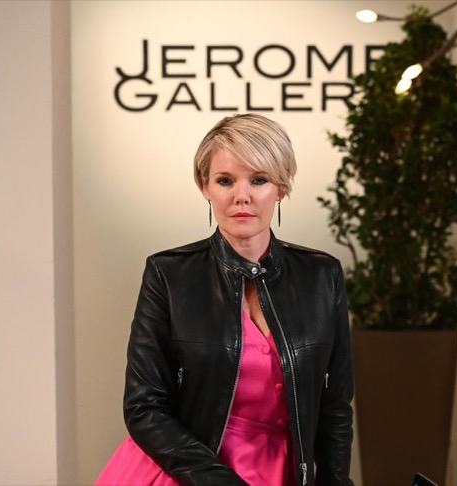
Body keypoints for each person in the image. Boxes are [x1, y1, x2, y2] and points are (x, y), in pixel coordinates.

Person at [112, 114, 354, 486]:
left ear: (281, 187)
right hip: (186, 473)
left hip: (281, 472)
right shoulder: (168, 274)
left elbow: (335, 406)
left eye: (259, 180)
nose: (242, 196)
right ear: (204, 186)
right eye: (225, 180)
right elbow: (143, 407)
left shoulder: (322, 276)